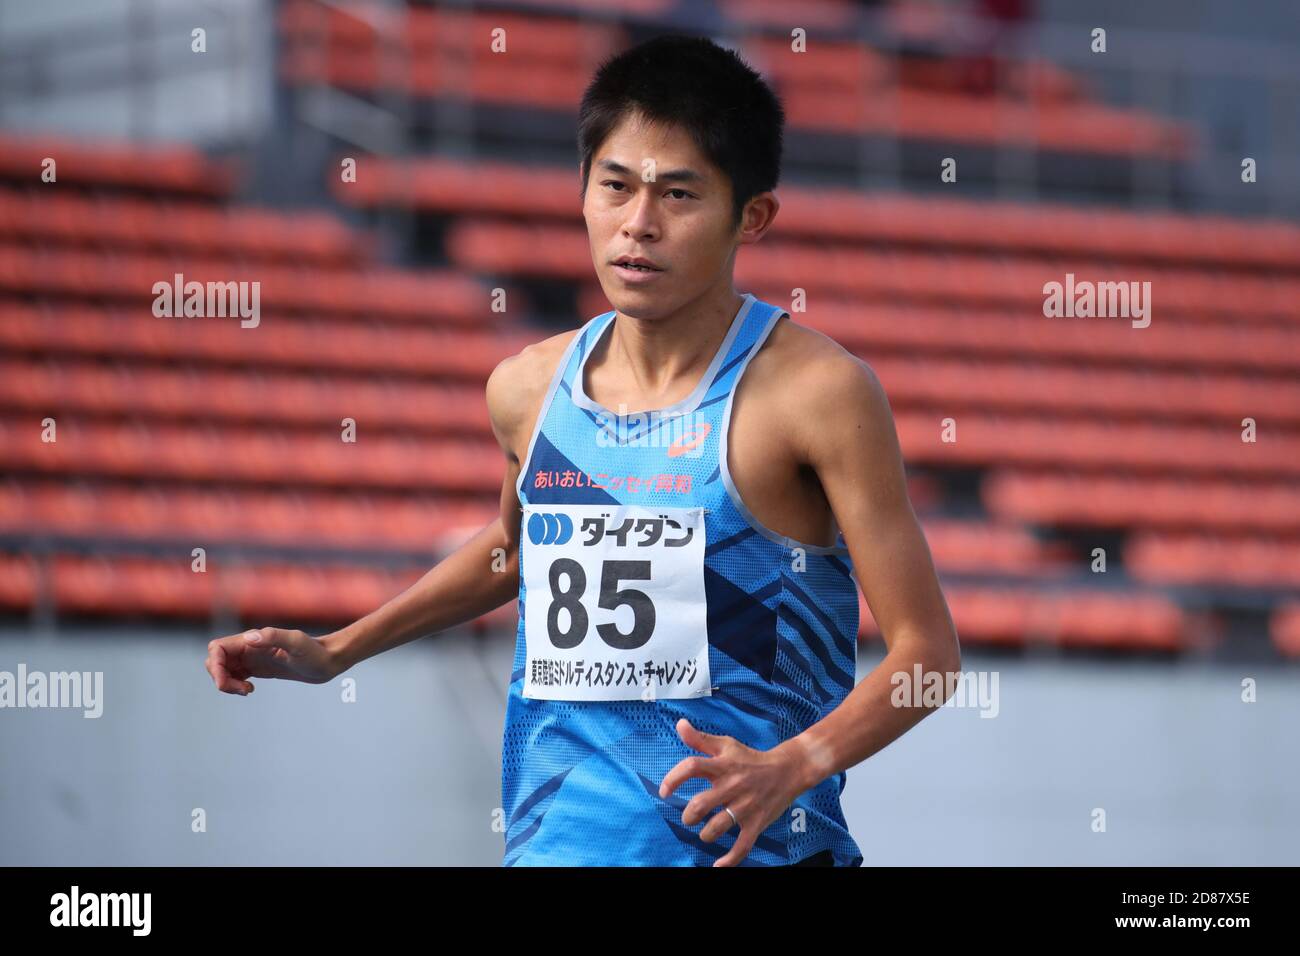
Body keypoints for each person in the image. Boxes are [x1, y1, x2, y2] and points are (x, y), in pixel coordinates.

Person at [204, 34, 960, 867]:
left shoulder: (816, 395)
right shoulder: (527, 389)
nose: (639, 224)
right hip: (555, 849)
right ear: (583, 190)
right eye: (616, 186)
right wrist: (337, 649)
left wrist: (794, 765)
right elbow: (510, 553)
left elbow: (929, 655)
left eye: (679, 194)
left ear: (753, 216)